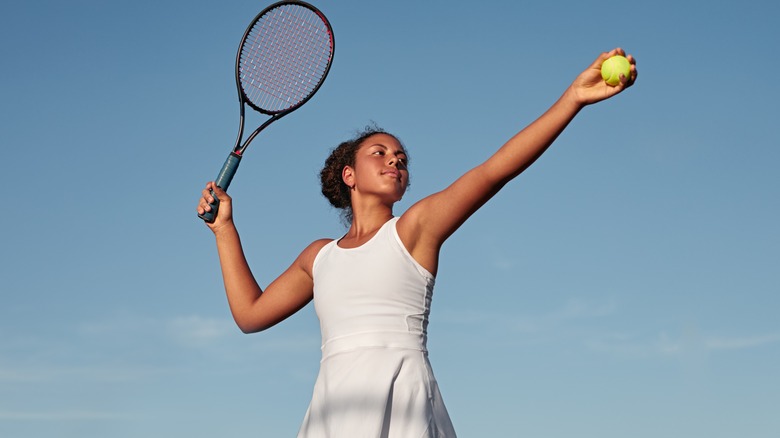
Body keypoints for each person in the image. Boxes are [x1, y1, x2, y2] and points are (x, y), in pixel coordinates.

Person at [197, 48, 637, 437]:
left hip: (403, 399)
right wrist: (224, 230)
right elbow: (250, 314)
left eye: (401, 159)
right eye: (380, 153)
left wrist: (572, 99)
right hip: (333, 408)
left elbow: (494, 171)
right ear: (349, 175)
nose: (395, 160)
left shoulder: (414, 229)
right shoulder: (318, 257)